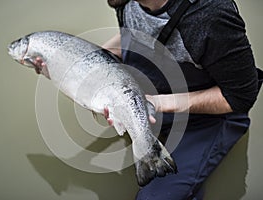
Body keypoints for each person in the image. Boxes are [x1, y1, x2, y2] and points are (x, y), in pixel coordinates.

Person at [104, 0, 262, 199]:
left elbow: (242, 96)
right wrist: (93, 60)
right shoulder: (123, 1)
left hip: (208, 118)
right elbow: (134, 32)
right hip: (152, 100)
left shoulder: (211, 15)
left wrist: (158, 103)